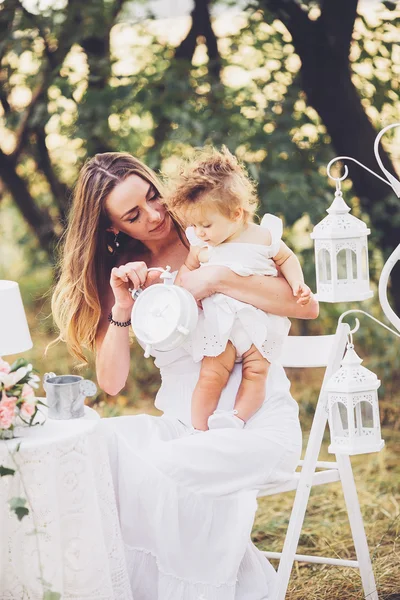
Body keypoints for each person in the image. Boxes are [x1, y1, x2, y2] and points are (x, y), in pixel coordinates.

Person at [52, 151, 319, 600]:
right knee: (103, 447)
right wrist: (122, 306)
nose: (156, 215)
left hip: (253, 421)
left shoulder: (216, 230)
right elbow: (112, 383)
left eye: (154, 197)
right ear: (112, 227)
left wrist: (214, 278)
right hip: (182, 425)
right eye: (134, 214)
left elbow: (304, 306)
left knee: (172, 470)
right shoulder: (123, 274)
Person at [165, 147, 312, 432]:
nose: (200, 232)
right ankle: (199, 429)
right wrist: (186, 297)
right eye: (195, 225)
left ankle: (235, 418)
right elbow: (186, 275)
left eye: (206, 224)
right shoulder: (202, 246)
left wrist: (298, 283)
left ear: (236, 214)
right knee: (211, 375)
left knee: (256, 373)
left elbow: (287, 259)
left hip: (260, 324)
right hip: (221, 326)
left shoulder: (263, 236)